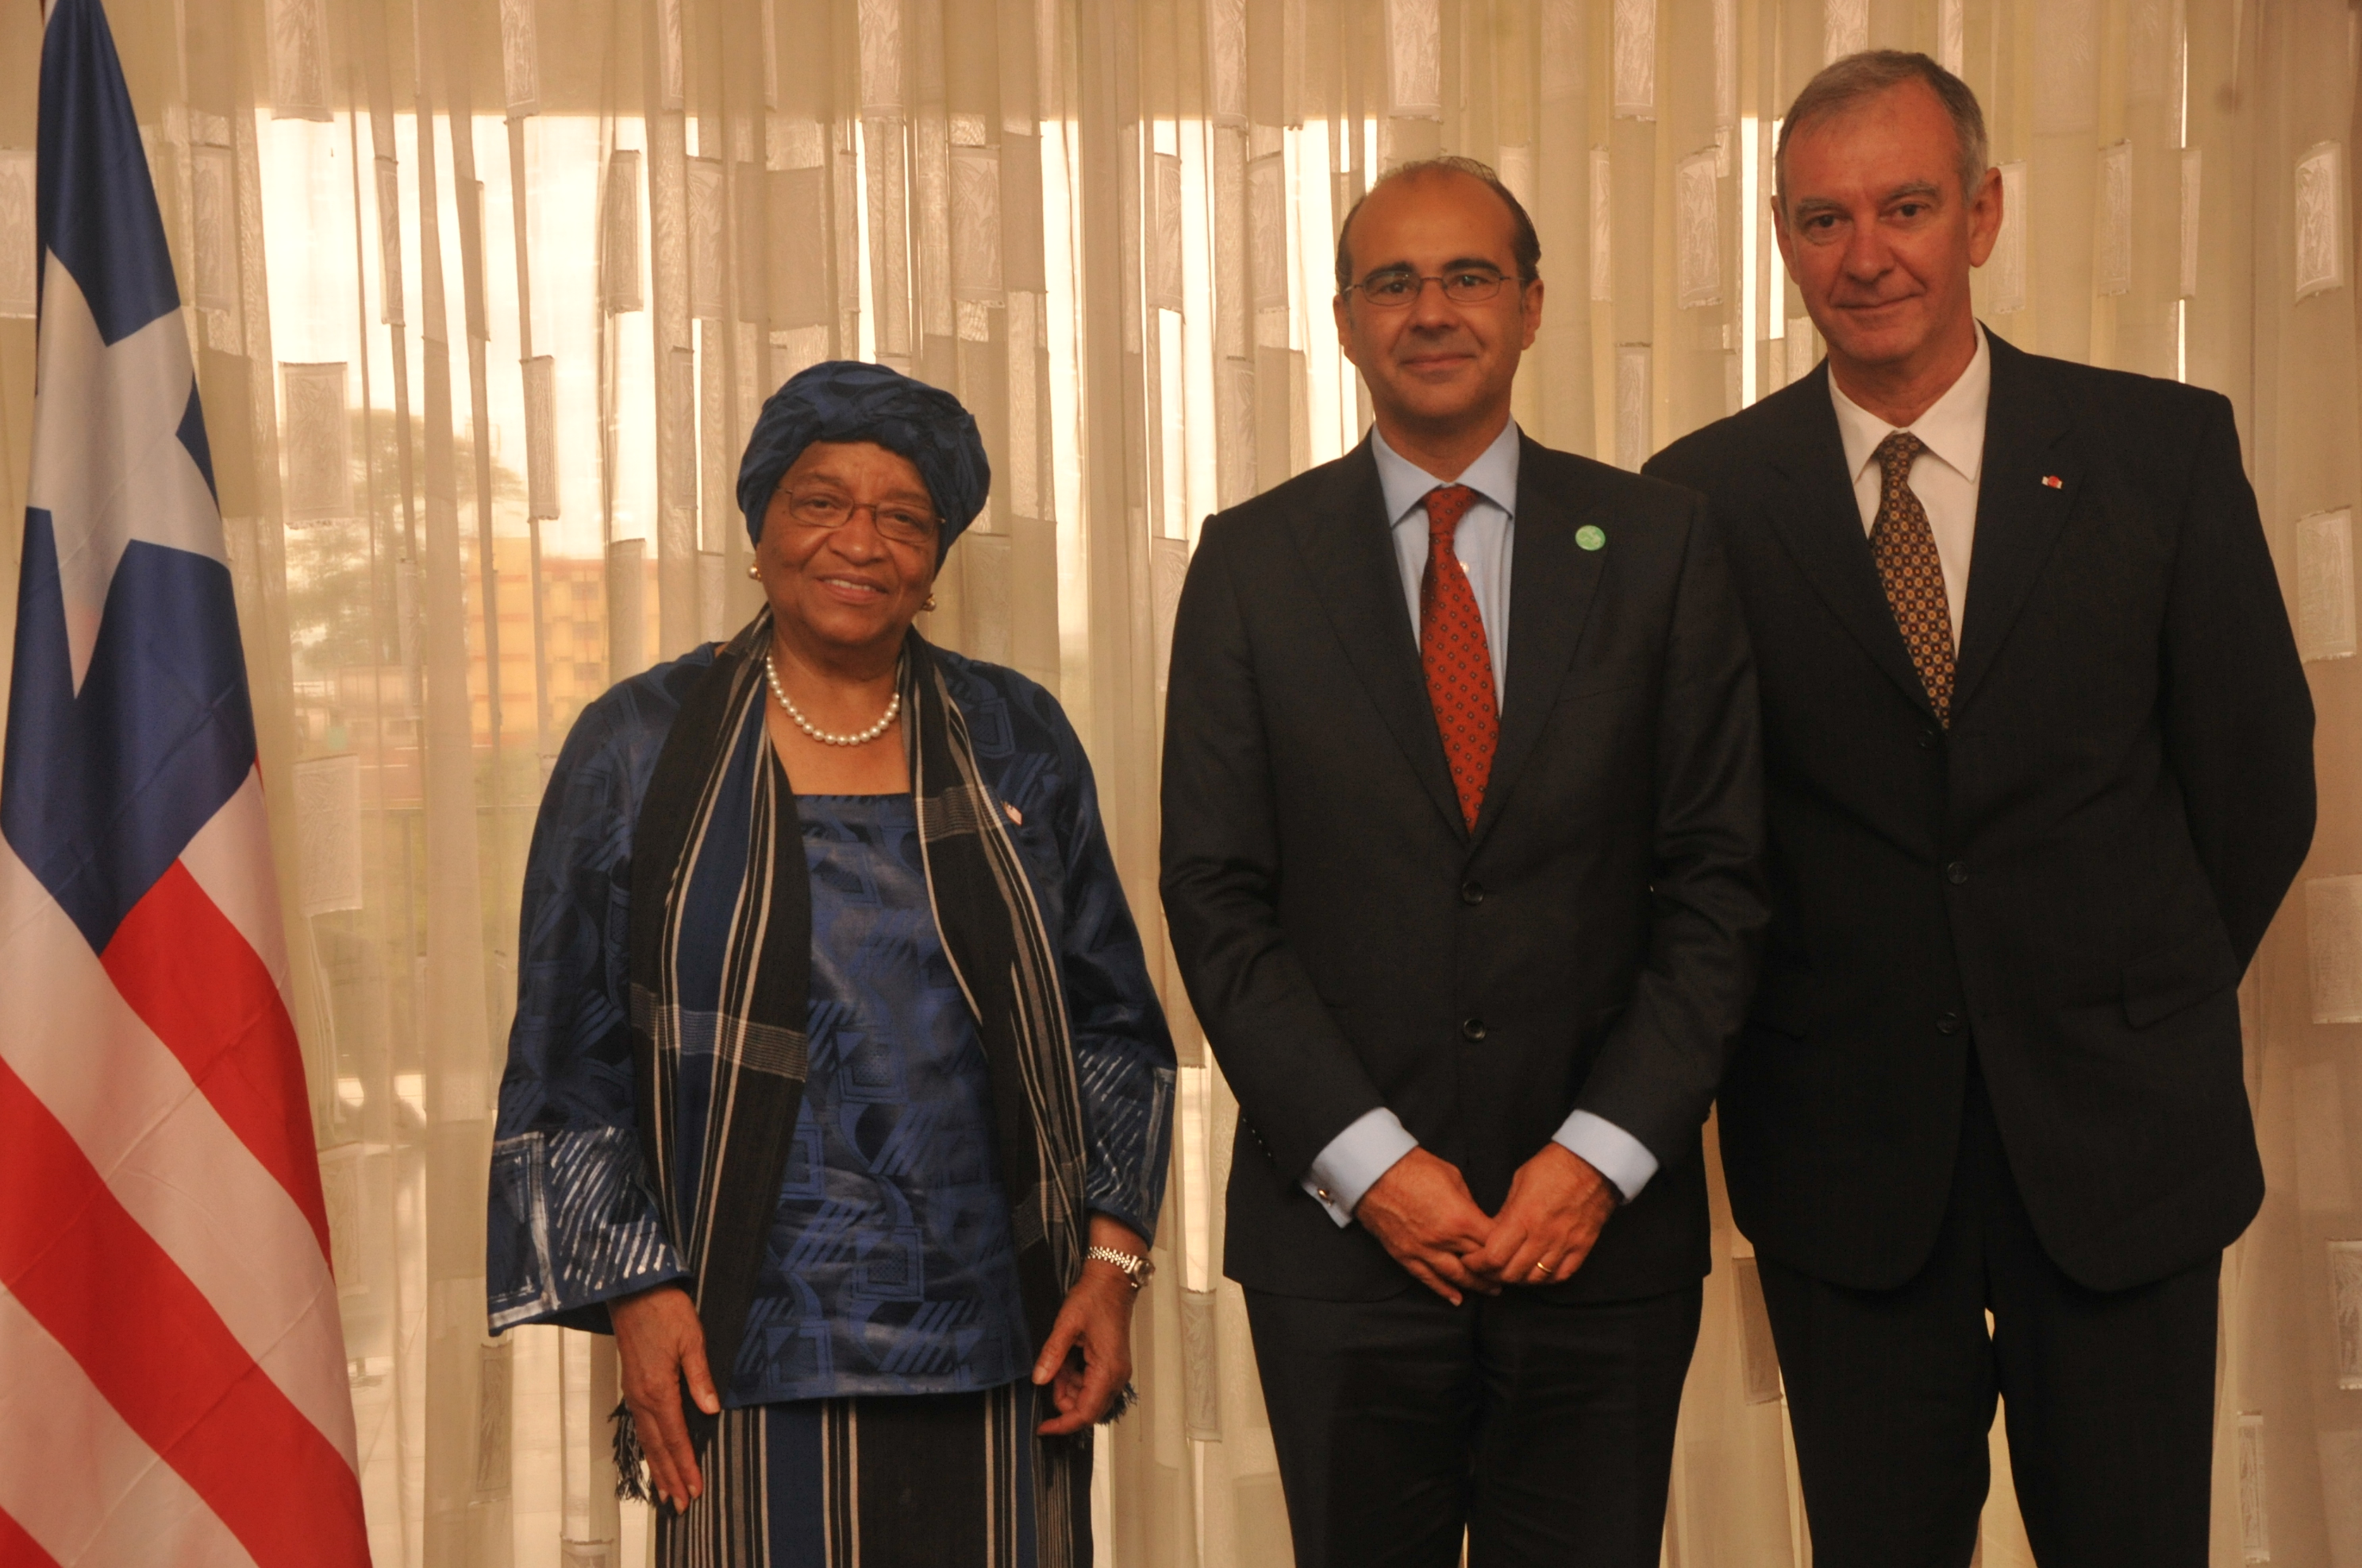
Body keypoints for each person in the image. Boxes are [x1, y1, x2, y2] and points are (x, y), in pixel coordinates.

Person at [1646, 52, 2315, 1567]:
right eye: (1823, 219)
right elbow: (1696, 836)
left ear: (1985, 214)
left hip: (2124, 1142)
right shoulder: (1700, 504)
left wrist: (2138, 981)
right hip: (1847, 1158)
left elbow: (2257, 774)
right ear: (1779, 236)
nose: (1865, 253)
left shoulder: (2163, 451)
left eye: (1905, 206)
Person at [1160, 156, 1767, 1567]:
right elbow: (1218, 900)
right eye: (1394, 281)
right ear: (1345, 318)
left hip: (1602, 1242)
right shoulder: (1248, 564)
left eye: (1469, 276)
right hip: (1344, 1254)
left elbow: (1720, 883)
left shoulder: (1662, 547)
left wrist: (1597, 1160)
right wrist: (1374, 1169)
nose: (1432, 310)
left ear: (1533, 305)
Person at [486, 361, 1177, 1568]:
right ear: (760, 529)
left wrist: (1113, 1267)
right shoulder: (639, 745)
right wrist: (634, 1296)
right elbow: (568, 1052)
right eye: (821, 502)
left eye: (903, 516)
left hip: (1007, 1337)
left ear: (937, 555)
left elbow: (1110, 1022)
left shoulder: (1016, 736)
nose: (861, 541)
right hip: (737, 1342)